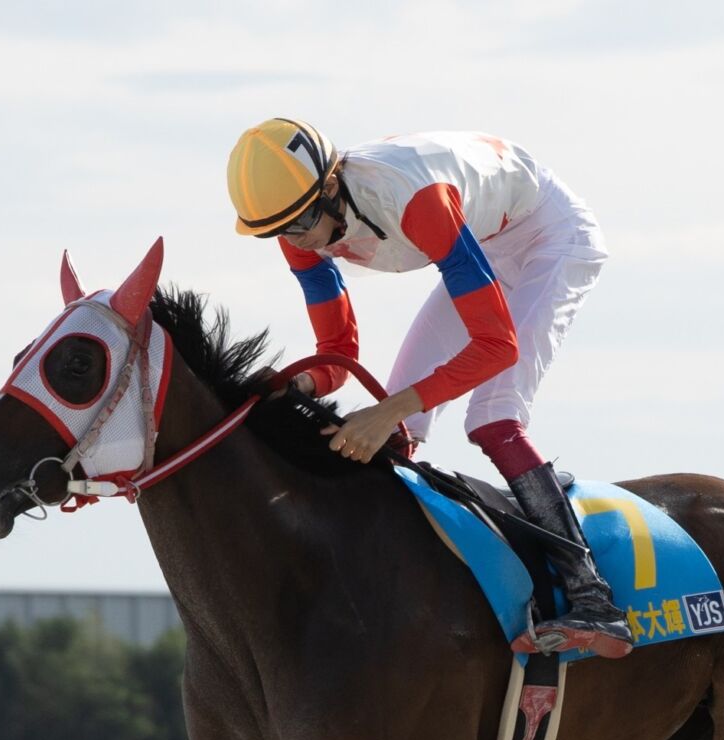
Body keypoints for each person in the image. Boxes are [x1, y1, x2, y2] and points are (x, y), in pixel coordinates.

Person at [226, 119, 633, 659]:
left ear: (329, 187)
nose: (295, 240)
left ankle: (594, 601)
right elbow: (339, 358)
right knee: (398, 431)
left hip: (550, 237)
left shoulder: (416, 202)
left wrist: (386, 409)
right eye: (275, 231)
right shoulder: (297, 228)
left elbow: (496, 347)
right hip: (483, 242)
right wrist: (294, 383)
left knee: (492, 416)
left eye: (299, 222)